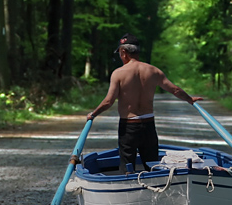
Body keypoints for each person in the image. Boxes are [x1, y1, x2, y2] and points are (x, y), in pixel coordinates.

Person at [87, 33, 203, 173]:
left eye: (119, 53)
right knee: (152, 165)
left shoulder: (119, 73)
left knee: (127, 166)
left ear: (124, 52)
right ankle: (154, 189)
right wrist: (190, 100)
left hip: (129, 127)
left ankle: (128, 189)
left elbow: (108, 101)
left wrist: (93, 114)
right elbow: (175, 90)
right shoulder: (153, 71)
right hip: (148, 126)